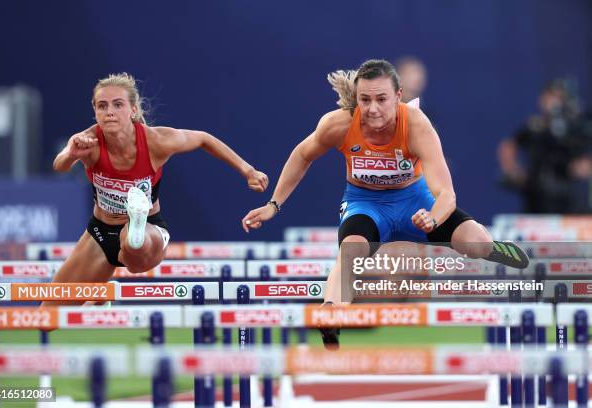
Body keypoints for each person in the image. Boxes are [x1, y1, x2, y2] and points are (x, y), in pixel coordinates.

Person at [241, 59, 528, 349]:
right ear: (356, 99)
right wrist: (273, 205)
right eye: (365, 100)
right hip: (366, 204)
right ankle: (330, 315)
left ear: (399, 97)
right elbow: (302, 156)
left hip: (415, 202)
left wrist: (432, 218)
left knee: (476, 243)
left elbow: (446, 194)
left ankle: (495, 247)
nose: (373, 109)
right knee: (351, 250)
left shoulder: (416, 125)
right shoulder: (339, 124)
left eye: (381, 99)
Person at [43, 73, 268, 306]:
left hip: (149, 229)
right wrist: (71, 154)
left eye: (117, 104)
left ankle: (134, 226)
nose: (109, 111)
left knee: (133, 250)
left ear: (133, 109)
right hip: (100, 232)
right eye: (102, 106)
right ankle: (102, 286)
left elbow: (203, 139)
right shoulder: (87, 141)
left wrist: (248, 170)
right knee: (46, 318)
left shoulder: (155, 141)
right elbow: (59, 166)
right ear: (96, 112)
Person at [498, 79, 592, 213]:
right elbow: (508, 146)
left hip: (570, 192)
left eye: (558, 97)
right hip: (538, 192)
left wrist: (586, 165)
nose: (552, 102)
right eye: (549, 97)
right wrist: (512, 170)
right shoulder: (535, 127)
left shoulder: (578, 125)